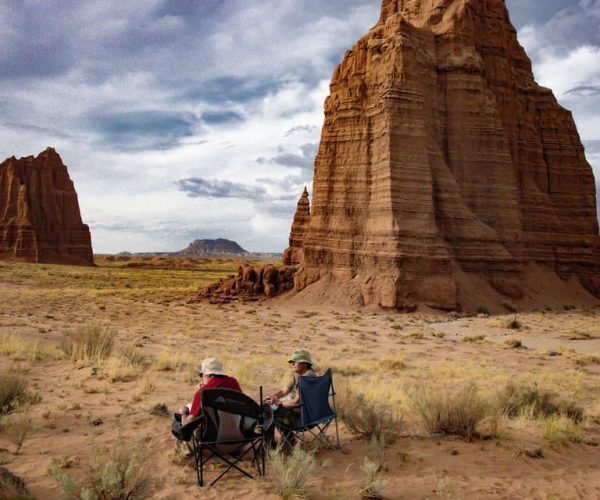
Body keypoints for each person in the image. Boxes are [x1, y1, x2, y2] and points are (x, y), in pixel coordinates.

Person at [174, 357, 242, 457]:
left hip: (214, 440)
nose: (202, 377)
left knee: (180, 420)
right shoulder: (233, 382)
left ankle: (187, 451)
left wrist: (184, 412)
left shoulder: (202, 393)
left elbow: (187, 423)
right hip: (239, 436)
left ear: (207, 375)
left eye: (201, 375)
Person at [264, 349, 317, 447]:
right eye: (292, 362)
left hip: (303, 417)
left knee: (269, 413)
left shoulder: (306, 378)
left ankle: (275, 444)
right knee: (269, 406)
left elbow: (297, 402)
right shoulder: (299, 374)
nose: (293, 364)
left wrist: (278, 403)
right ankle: (287, 439)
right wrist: (273, 397)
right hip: (307, 412)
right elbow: (285, 390)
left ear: (305, 364)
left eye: (295, 362)